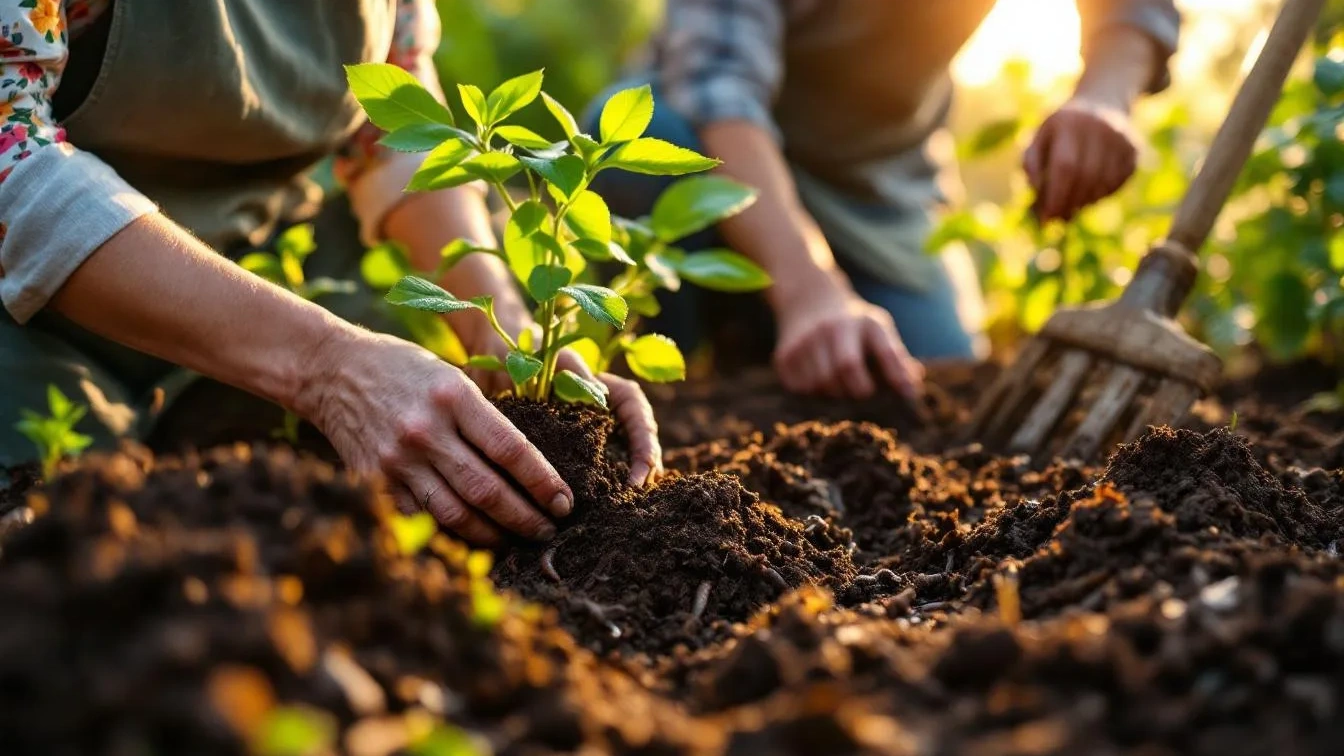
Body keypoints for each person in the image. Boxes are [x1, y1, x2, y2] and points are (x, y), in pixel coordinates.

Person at [0, 0, 663, 546]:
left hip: (251, 288)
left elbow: (391, 125)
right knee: (69, 536)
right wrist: (327, 368)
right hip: (30, 330)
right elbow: (13, 165)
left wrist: (502, 335)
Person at [589, 0, 1180, 401]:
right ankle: (669, 394)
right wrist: (809, 291)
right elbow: (720, 89)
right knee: (634, 147)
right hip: (717, 148)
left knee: (934, 383)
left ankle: (757, 327)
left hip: (879, 188)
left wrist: (1104, 95)